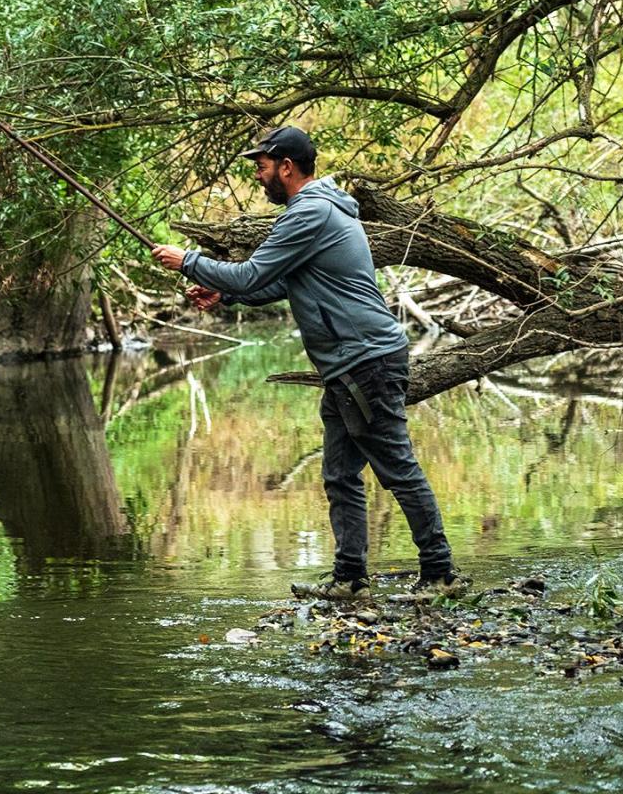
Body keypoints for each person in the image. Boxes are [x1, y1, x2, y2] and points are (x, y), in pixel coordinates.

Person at [150, 126, 467, 601]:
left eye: (260, 167)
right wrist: (224, 293)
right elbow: (274, 286)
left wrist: (190, 262)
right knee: (340, 474)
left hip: (365, 360)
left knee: (396, 467)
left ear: (286, 166)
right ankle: (349, 579)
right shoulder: (316, 211)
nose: (258, 177)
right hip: (349, 365)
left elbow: (253, 272)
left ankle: (441, 574)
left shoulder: (312, 212)